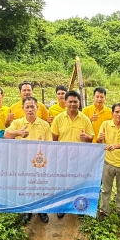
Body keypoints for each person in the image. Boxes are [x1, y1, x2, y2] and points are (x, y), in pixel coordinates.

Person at [4, 96, 52, 223]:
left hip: (39, 162)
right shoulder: (17, 123)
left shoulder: (45, 124)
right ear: (23, 108)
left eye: (33, 107)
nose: (30, 109)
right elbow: (6, 135)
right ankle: (27, 210)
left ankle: (42, 210)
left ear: (37, 108)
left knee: (41, 187)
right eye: (27, 107)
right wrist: (18, 133)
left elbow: (50, 145)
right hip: (22, 162)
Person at [51, 90, 94, 218]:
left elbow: (91, 138)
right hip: (62, 157)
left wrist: (85, 137)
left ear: (79, 103)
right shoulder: (58, 119)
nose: (73, 104)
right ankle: (62, 206)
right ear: (65, 103)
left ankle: (78, 205)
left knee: (78, 181)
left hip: (80, 157)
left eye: (75, 101)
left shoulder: (85, 119)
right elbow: (54, 138)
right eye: (70, 101)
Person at [96, 103, 120, 223]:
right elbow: (99, 142)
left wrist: (115, 146)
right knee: (106, 189)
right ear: (112, 113)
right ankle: (103, 211)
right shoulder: (105, 124)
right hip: (108, 162)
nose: (119, 114)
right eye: (116, 112)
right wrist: (100, 139)